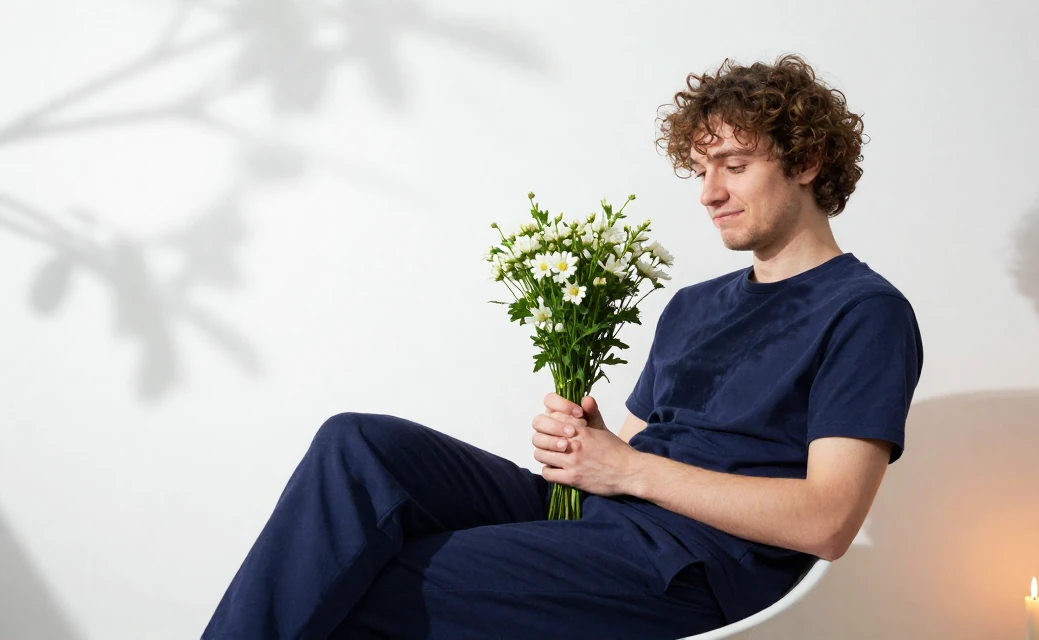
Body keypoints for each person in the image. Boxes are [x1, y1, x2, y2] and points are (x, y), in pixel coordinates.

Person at [203, 53, 923, 640]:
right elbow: (630, 453)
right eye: (701, 169)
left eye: (734, 166)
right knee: (357, 444)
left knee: (364, 576)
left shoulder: (864, 312)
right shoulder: (694, 305)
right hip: (604, 522)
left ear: (807, 161)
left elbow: (828, 521)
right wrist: (591, 446)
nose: (709, 193)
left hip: (691, 564)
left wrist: (628, 468)